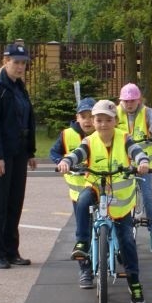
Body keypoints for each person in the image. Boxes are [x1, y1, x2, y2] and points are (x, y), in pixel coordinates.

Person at [57, 99, 151, 303]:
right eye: (98, 120)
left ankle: (134, 282)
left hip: (121, 201)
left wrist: (142, 161)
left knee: (127, 240)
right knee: (82, 200)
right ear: (94, 121)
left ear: (115, 121)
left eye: (107, 120)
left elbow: (136, 151)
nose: (102, 124)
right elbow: (77, 153)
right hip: (96, 189)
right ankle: (82, 242)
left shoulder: (124, 138)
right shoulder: (89, 141)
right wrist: (66, 161)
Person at [0, 43, 38, 269]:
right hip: (1, 153)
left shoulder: (19, 88)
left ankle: (12, 251)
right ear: (6, 61)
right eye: (16, 62)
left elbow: (27, 122)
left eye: (23, 63)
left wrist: (30, 152)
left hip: (19, 151)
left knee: (15, 203)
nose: (20, 67)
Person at [116, 82, 152, 253]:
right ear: (121, 101)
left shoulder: (146, 112)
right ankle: (113, 235)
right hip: (122, 165)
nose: (129, 104)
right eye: (125, 101)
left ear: (138, 100)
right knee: (115, 198)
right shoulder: (115, 113)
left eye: (132, 101)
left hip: (143, 166)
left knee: (147, 197)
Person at [50, 97, 97, 289]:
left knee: (107, 225)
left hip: (102, 188)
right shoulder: (67, 135)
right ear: (77, 117)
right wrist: (61, 162)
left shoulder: (103, 134)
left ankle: (108, 253)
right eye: (83, 116)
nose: (87, 121)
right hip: (79, 193)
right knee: (83, 231)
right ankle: (85, 269)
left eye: (91, 116)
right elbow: (54, 153)